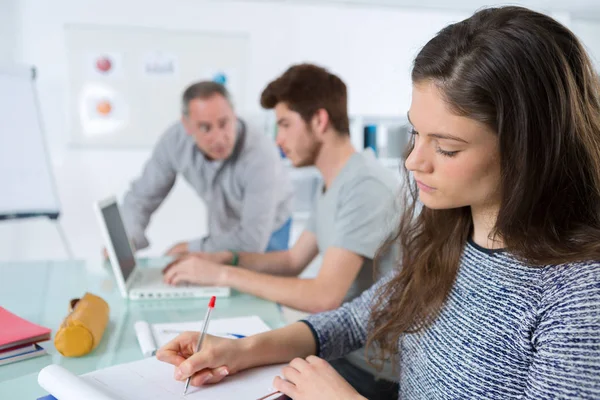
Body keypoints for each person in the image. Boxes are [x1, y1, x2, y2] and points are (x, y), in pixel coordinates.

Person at [156, 6, 600, 399]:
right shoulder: (449, 236)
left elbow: (324, 296)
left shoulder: (578, 299)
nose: (412, 162)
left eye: (445, 147)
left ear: (529, 149)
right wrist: (241, 350)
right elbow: (352, 319)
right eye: (414, 134)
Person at [162, 64, 401, 398]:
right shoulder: (335, 183)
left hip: (369, 372)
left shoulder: (365, 186)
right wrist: (227, 257)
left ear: (319, 121)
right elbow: (292, 260)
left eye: (285, 125)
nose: (278, 139)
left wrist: (222, 274)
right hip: (340, 352)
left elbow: (323, 296)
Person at [120, 81, 294, 255]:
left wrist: (189, 248)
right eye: (205, 128)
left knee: (262, 278)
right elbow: (141, 197)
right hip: (224, 227)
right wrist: (127, 239)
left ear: (234, 115)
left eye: (224, 123)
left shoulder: (261, 155)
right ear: (187, 125)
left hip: (268, 228)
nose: (218, 138)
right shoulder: (175, 141)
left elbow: (252, 241)